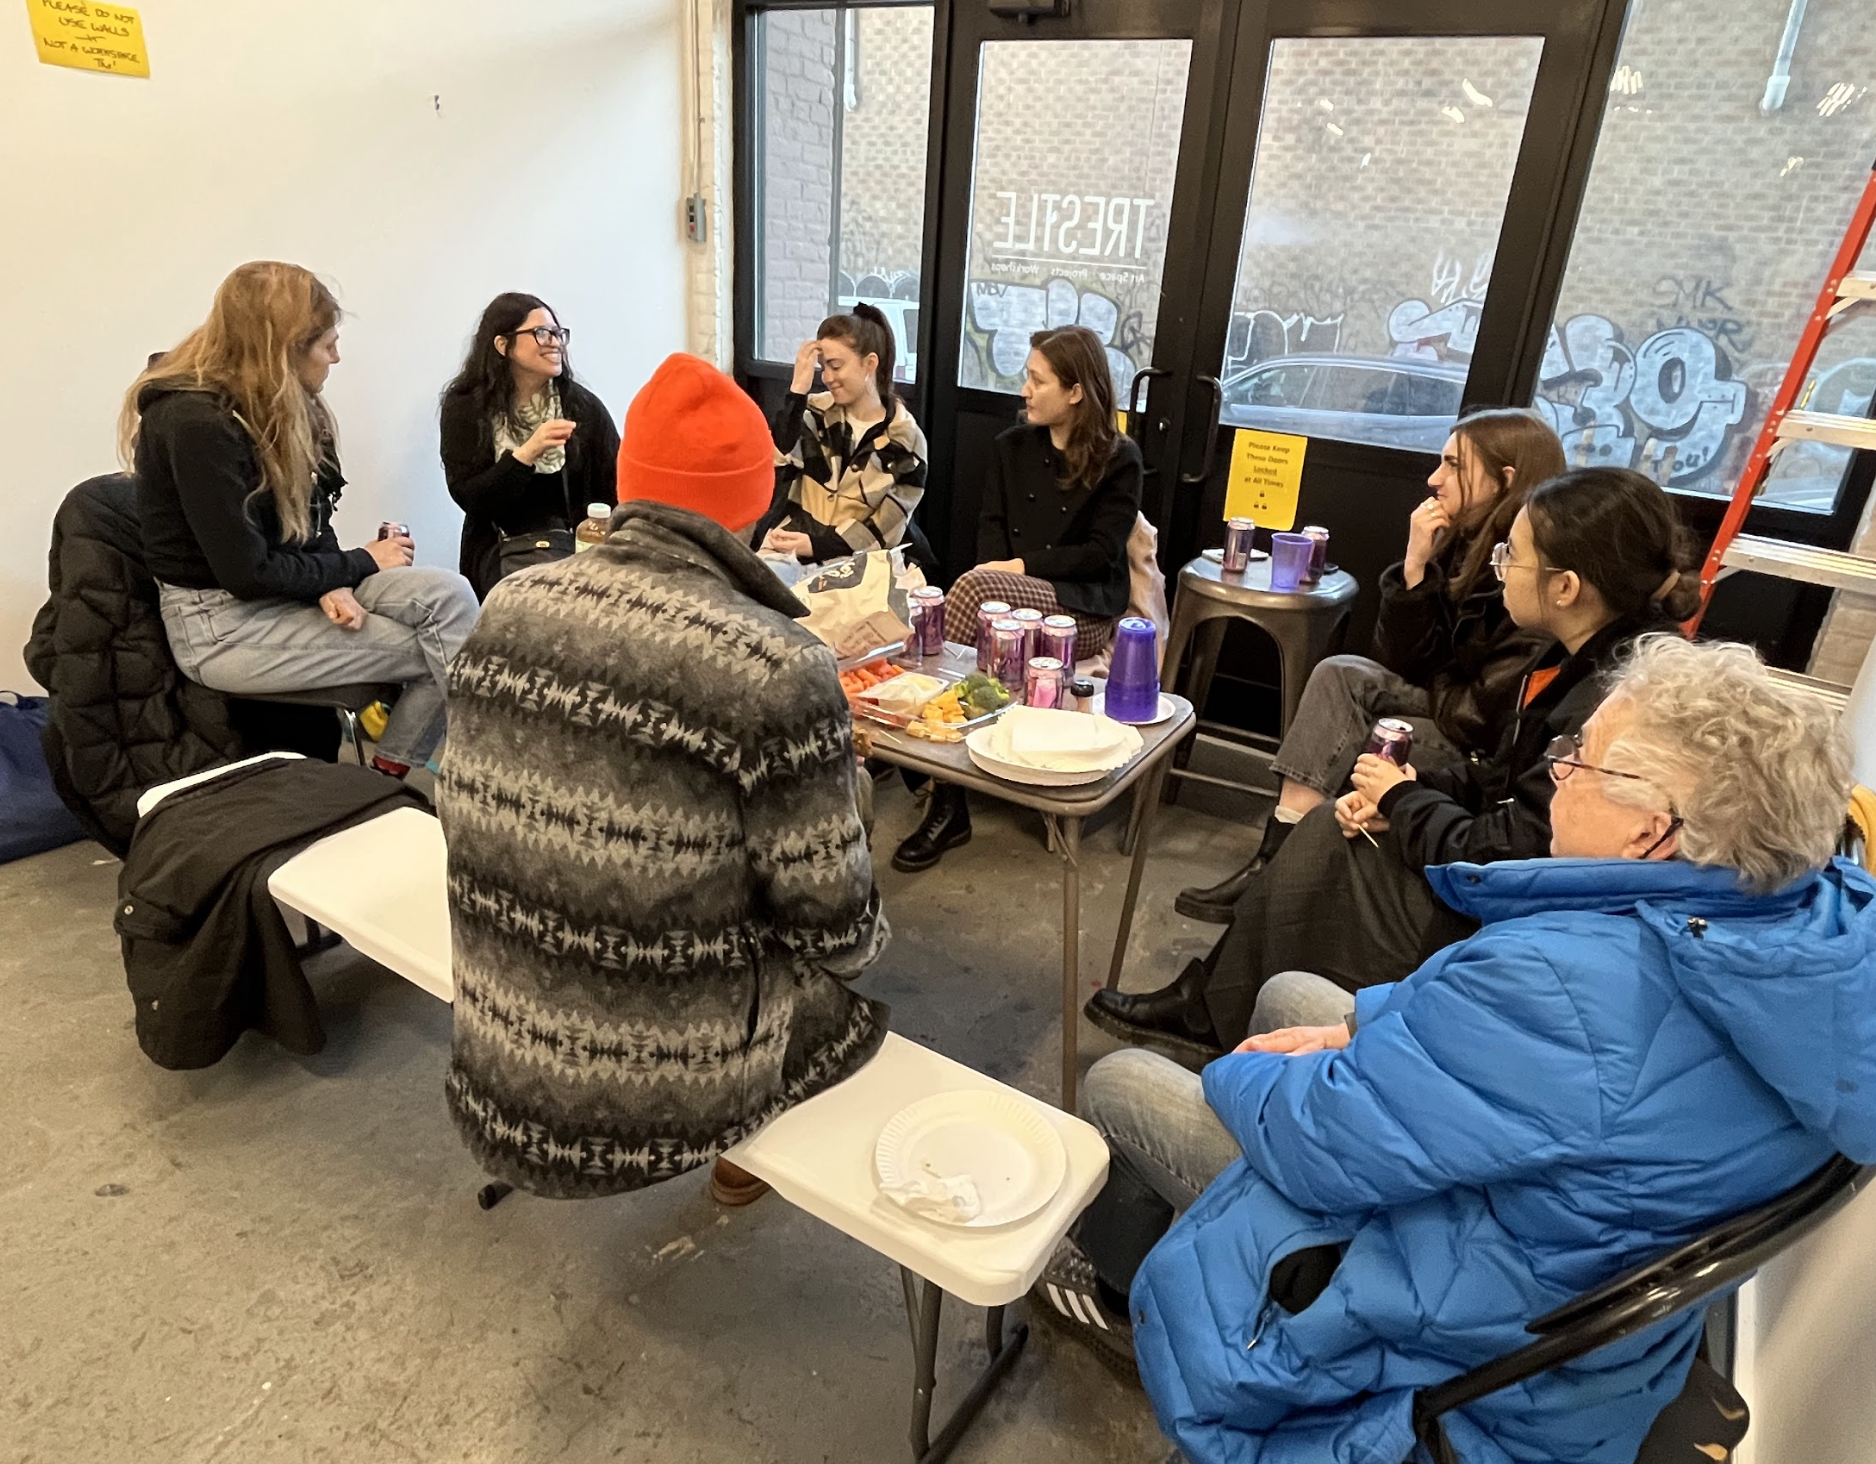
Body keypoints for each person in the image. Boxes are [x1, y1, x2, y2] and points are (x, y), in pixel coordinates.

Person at [1041, 634, 1876, 1464]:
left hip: (1453, 1337)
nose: (1557, 773)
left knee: (1123, 1083)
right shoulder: (1803, 930)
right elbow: (1527, 1058)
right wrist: (1354, 1031)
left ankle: (1121, 1299)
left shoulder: (1563, 982)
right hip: (1576, 1309)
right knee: (1295, 995)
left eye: (1578, 759)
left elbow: (1326, 1144)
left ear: (1650, 832)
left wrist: (1241, 1072)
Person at [439, 352, 891, 1207]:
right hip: (660, 1101)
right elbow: (840, 934)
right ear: (756, 499)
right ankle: (742, 1158)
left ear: (631, 483)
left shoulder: (508, 603)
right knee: (835, 985)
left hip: (500, 1046)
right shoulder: (776, 663)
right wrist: (844, 795)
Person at [1088, 466, 1701, 1059]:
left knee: (1327, 840)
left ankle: (1224, 1004)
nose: (1501, 567)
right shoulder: (1577, 655)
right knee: (1334, 816)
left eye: (1512, 557)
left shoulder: (1612, 702)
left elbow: (1509, 850)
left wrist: (1403, 799)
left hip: (1518, 927)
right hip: (1507, 870)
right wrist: (1410, 787)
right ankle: (1224, 1002)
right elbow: (1497, 773)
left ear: (1565, 587)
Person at [1175, 408, 1562, 922]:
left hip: (1478, 748)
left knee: (1361, 719)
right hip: (1451, 703)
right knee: (1341, 673)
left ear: (1505, 480)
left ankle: (1280, 875)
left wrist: (1430, 677)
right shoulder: (1464, 538)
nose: (1434, 479)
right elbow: (1401, 661)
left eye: (1453, 465)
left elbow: (1482, 717)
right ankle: (1276, 861)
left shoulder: (1527, 570)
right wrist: (1416, 566)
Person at [126, 261, 478, 779]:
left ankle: (388, 773)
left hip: (280, 592)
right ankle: (457, 775)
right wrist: (357, 564)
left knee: (449, 596)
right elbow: (246, 573)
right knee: (445, 650)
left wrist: (331, 579)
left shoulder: (276, 405)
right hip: (220, 625)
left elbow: (305, 522)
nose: (336, 357)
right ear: (284, 350)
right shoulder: (195, 424)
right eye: (327, 344)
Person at [892, 325, 1145, 874]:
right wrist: (1000, 585)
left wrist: (1018, 569)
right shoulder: (1011, 447)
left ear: (1075, 391)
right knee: (973, 594)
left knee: (966, 592)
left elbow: (1099, 554)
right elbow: (991, 529)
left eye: (1037, 380)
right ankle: (948, 795)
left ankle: (920, 735)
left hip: (1080, 609)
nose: (1024, 390)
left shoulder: (1119, 458)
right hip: (1005, 600)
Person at [440, 292, 620, 600]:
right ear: (503, 345)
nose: (554, 342)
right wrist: (525, 454)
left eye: (557, 333)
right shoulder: (467, 407)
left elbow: (613, 490)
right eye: (541, 333)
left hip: (577, 559)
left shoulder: (582, 407)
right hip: (498, 558)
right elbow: (472, 499)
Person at [753, 302, 929, 566]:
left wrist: (816, 546)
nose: (826, 377)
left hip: (861, 562)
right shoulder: (814, 413)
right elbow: (775, 460)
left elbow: (886, 529)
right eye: (823, 367)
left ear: (869, 364)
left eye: (835, 366)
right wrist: (797, 390)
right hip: (792, 548)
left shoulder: (905, 439)